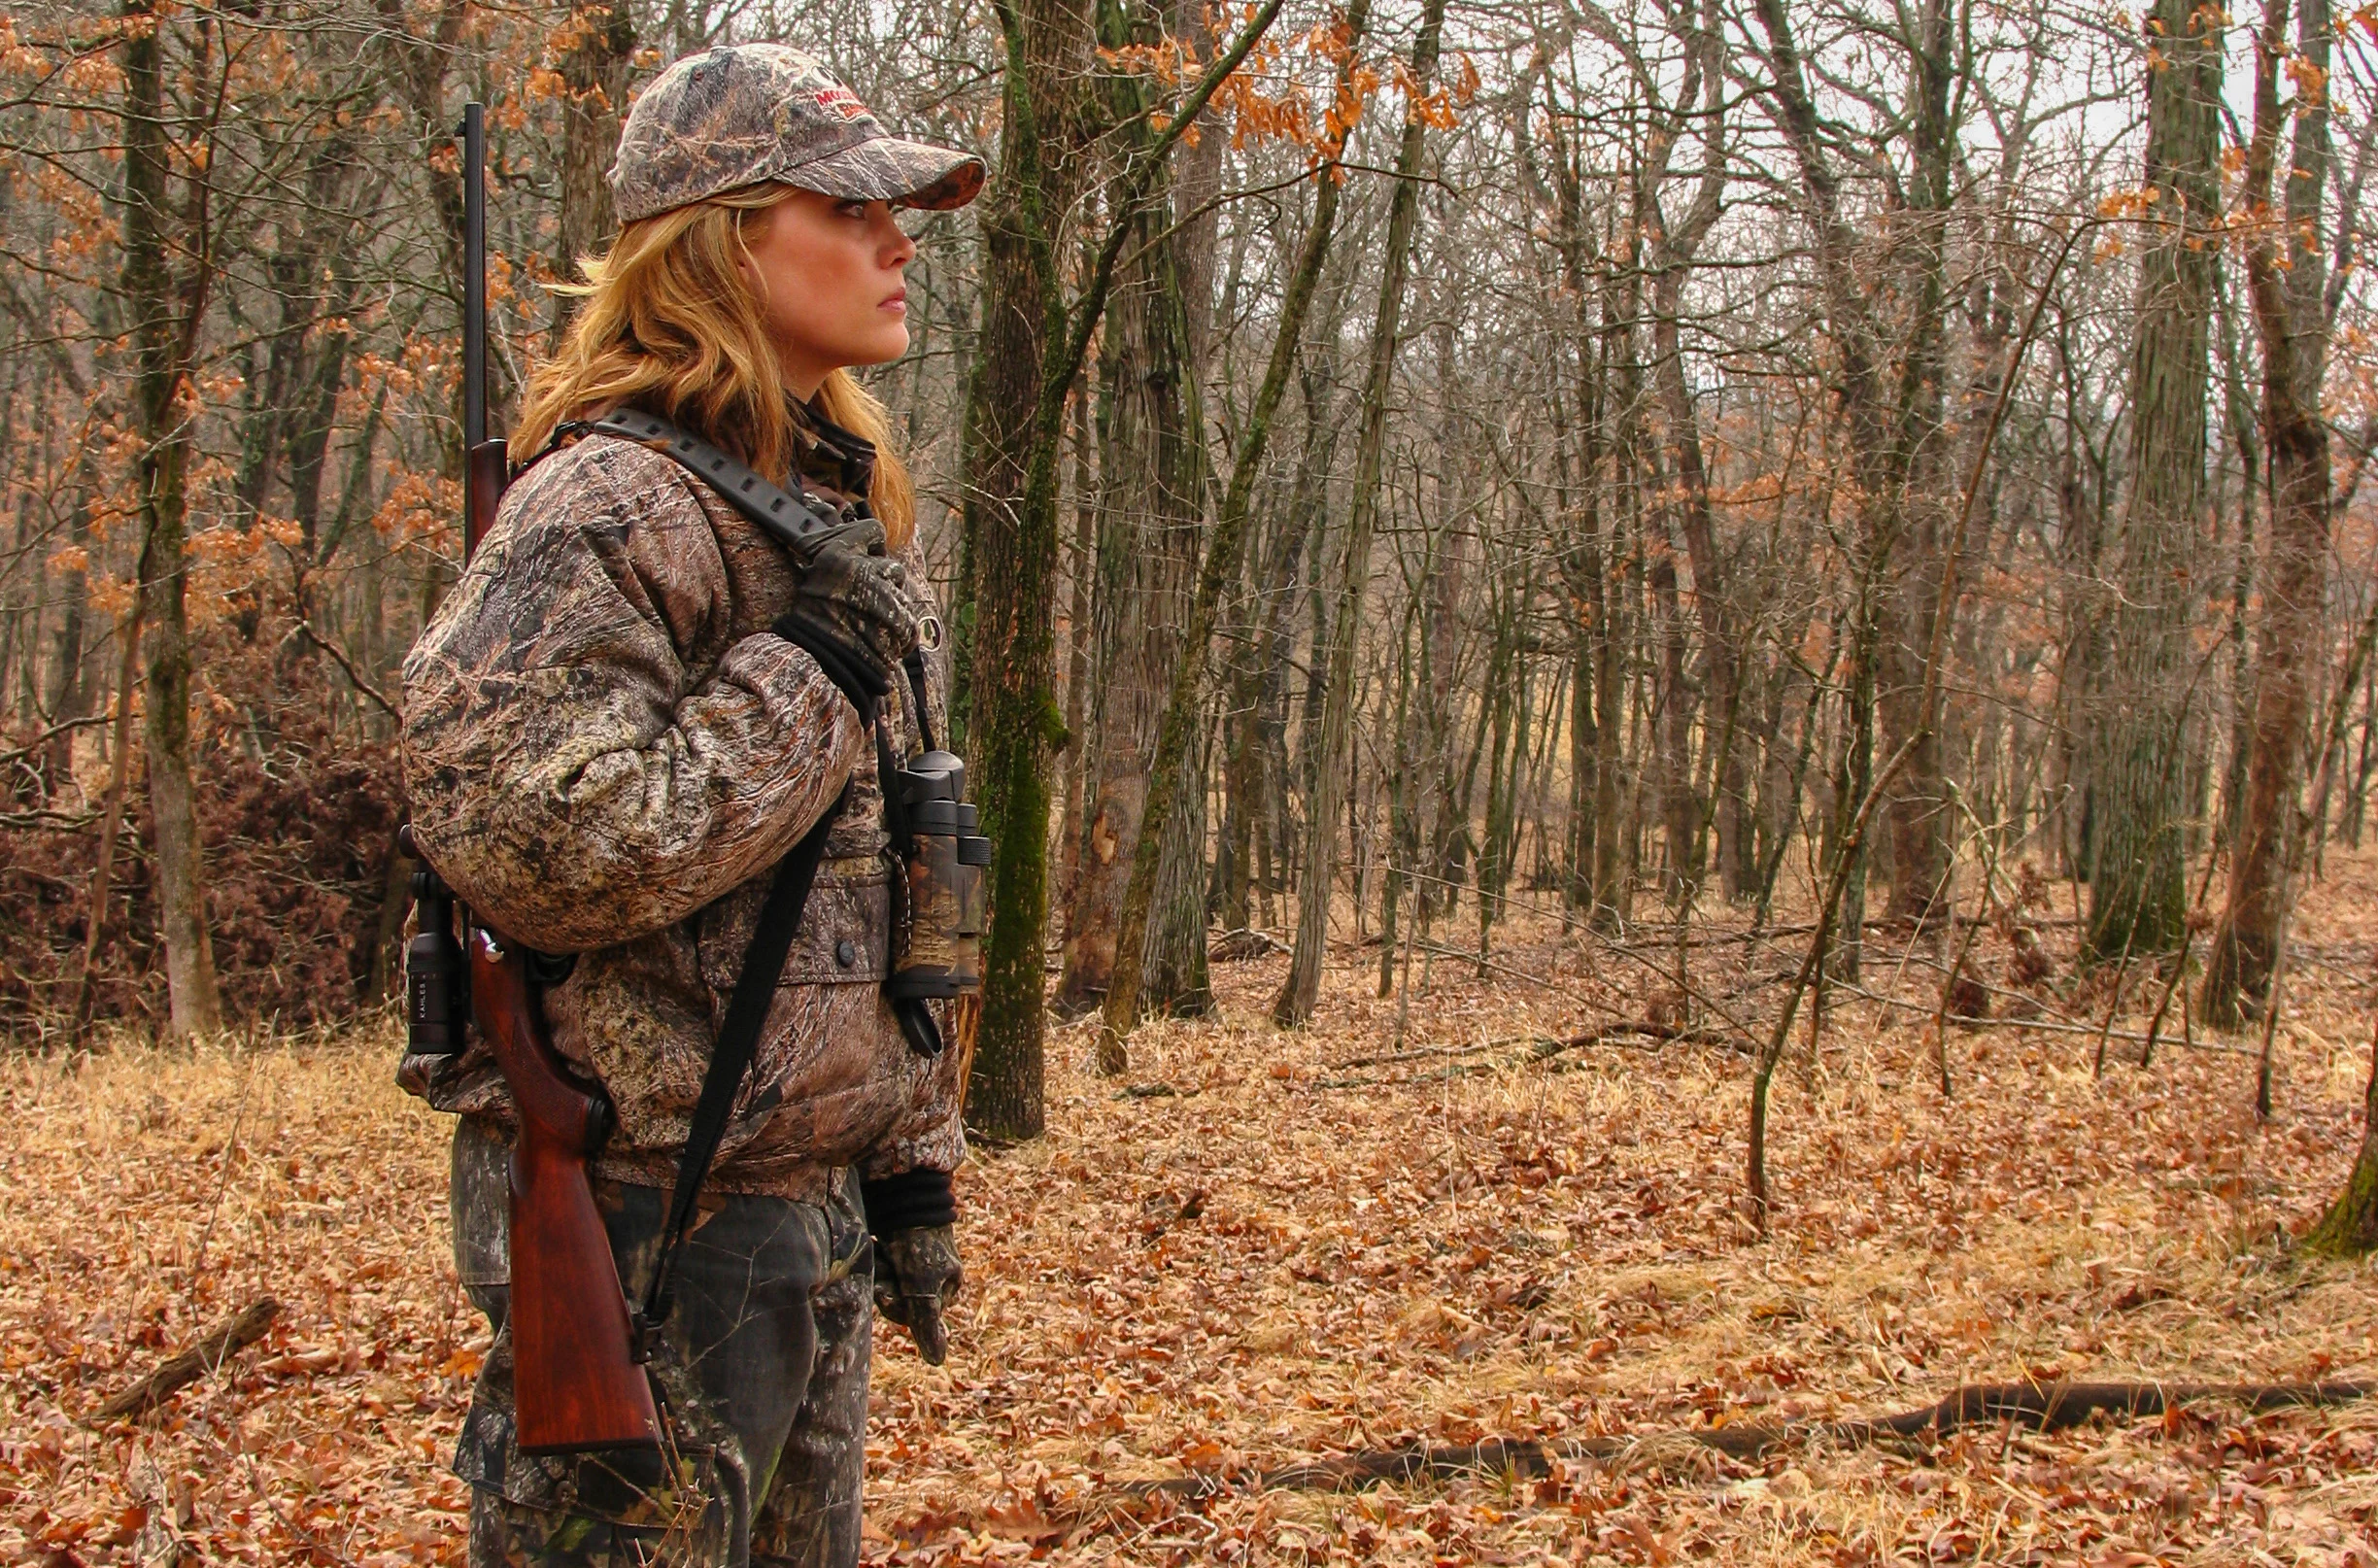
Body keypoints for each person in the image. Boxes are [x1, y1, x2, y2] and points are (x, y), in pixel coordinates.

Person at [398, 43, 985, 1568]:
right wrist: (811, 666)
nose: (897, 243)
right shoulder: (605, 505)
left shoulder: (831, 501)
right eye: (850, 211)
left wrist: (915, 1153)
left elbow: (899, 876)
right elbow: (545, 846)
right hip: (649, 1227)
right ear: (728, 235)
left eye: (894, 214)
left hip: (810, 1207)